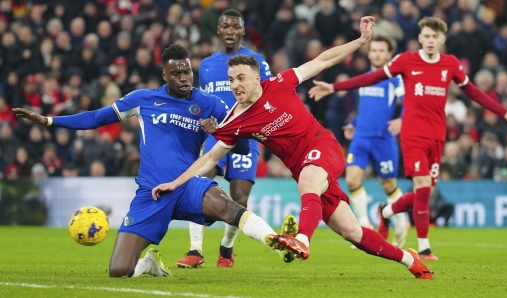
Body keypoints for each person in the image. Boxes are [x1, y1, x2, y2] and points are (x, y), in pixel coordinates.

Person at [153, 17, 434, 280]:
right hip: (303, 168)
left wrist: (360, 41)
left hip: (322, 146)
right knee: (352, 232)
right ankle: (409, 260)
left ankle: (301, 240)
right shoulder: (235, 120)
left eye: (240, 78)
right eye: (230, 80)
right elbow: (210, 158)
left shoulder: (280, 82)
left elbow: (323, 60)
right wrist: (175, 183)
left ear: (255, 78)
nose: (234, 85)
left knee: (309, 181)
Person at [13, 44, 295, 278]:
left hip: (185, 185)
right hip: (151, 193)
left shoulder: (210, 104)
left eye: (187, 71)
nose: (184, 78)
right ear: (165, 75)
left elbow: (244, 148)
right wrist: (50, 120)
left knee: (228, 206)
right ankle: (148, 264)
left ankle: (276, 242)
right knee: (118, 271)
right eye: (177, 73)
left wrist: (220, 131)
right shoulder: (143, 99)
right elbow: (95, 118)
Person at [308, 17, 507, 260]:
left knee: (425, 192)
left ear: (442, 39)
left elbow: (473, 91)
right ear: (420, 38)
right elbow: (372, 77)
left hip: (437, 136)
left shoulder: (450, 64)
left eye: (435, 37)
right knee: (422, 186)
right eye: (427, 36)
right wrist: (334, 88)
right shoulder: (407, 61)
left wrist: (503, 111)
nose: (431, 40)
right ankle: (424, 248)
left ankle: (388, 210)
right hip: (413, 135)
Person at [177, 9, 273, 269]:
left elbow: (269, 97)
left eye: (235, 26)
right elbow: (202, 102)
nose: (230, 30)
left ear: (243, 31)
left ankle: (226, 248)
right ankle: (195, 250)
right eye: (225, 26)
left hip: (247, 135)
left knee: (240, 198)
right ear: (218, 30)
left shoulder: (257, 62)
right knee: (198, 183)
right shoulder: (207, 65)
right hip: (216, 135)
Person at [314, 35, 408, 248]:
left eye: (381, 51)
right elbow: (367, 108)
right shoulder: (365, 78)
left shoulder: (395, 79)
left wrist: (401, 121)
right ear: (369, 53)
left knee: (388, 184)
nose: (376, 54)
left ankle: (402, 221)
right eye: (373, 50)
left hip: (383, 139)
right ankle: (364, 228)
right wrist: (354, 123)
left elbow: (407, 103)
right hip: (361, 138)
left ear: (388, 54)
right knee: (353, 179)